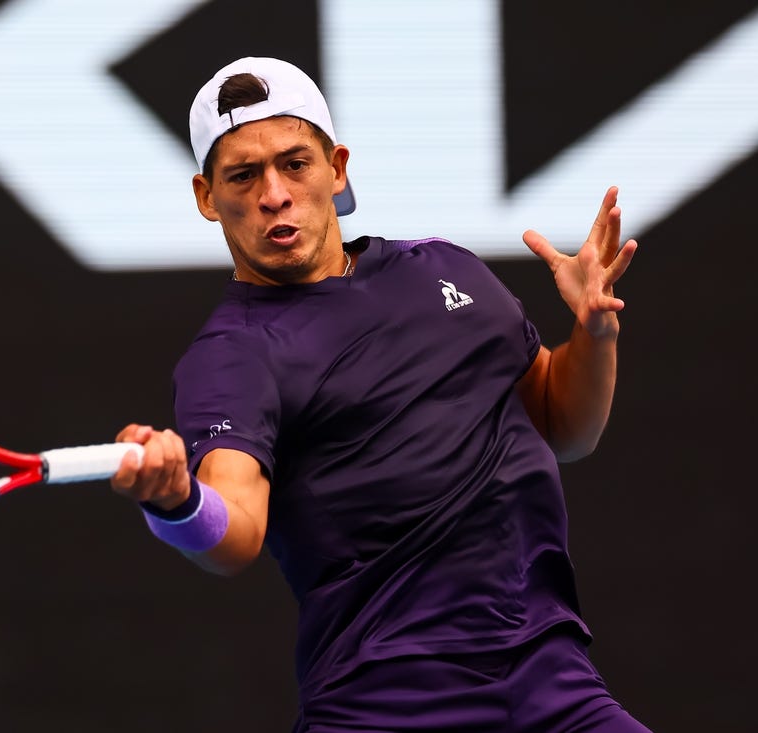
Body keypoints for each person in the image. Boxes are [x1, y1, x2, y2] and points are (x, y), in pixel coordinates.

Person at [110, 56, 649, 732]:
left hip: (552, 684)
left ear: (336, 168)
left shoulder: (447, 270)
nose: (273, 193)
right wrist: (178, 499)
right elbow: (237, 529)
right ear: (206, 196)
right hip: (385, 704)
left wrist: (594, 332)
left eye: (295, 164)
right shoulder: (231, 355)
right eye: (243, 176)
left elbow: (562, 424)